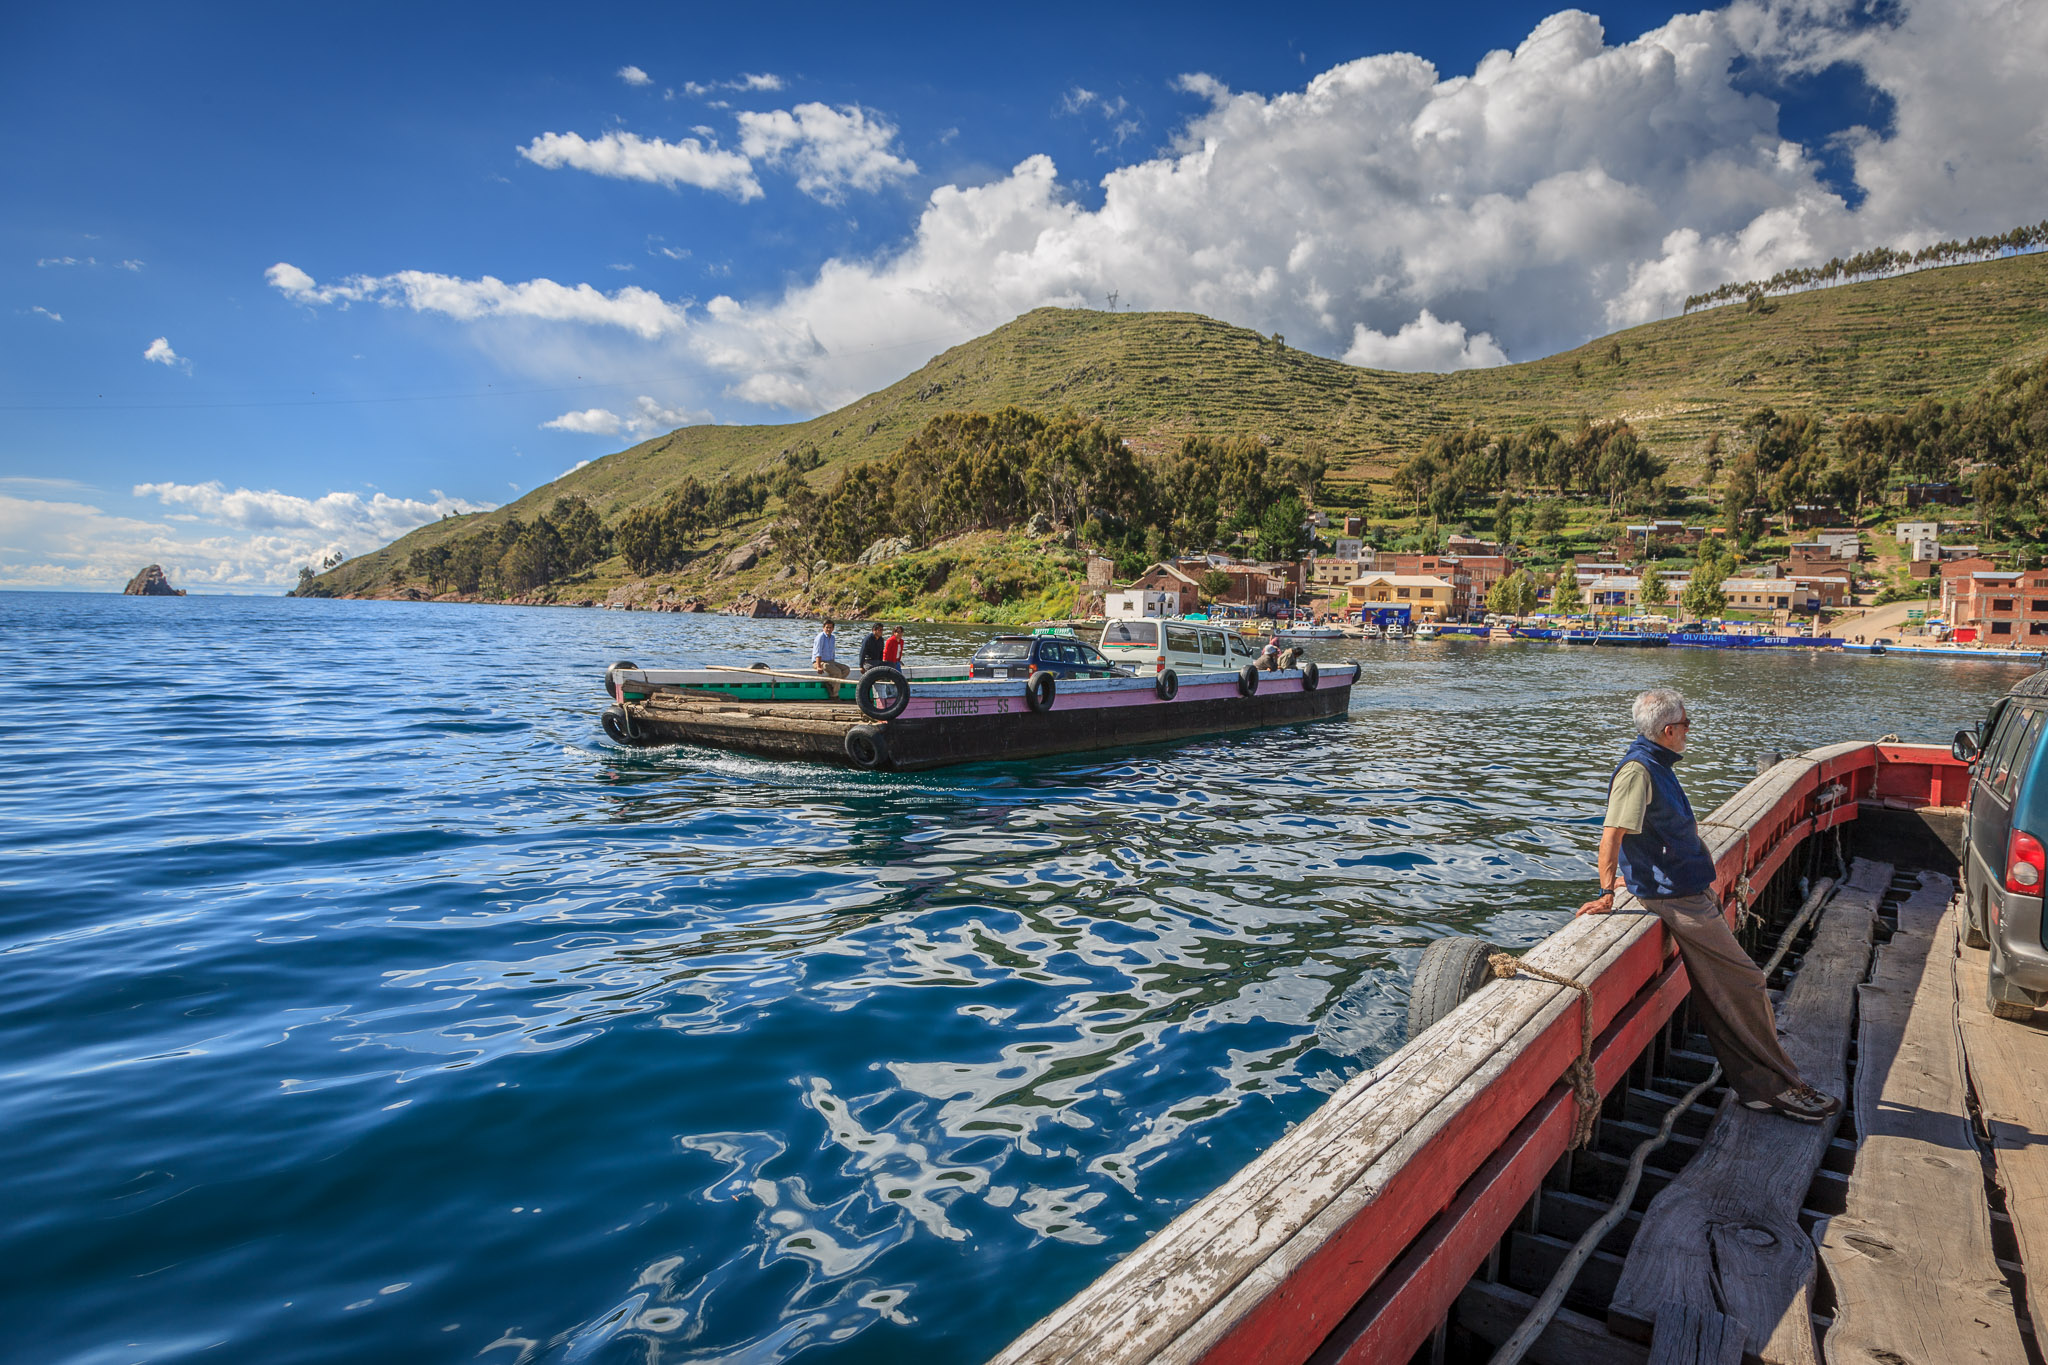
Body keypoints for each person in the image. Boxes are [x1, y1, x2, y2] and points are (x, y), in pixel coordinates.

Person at [1578, 689, 1840, 1122]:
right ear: (1667, 730)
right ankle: (1779, 1087)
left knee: (1723, 990)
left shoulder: (1655, 764)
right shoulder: (1638, 770)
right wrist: (1609, 893)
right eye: (1685, 725)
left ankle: (1756, 1087)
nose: (1688, 732)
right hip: (1676, 899)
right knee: (1745, 984)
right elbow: (1611, 836)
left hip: (1685, 891)